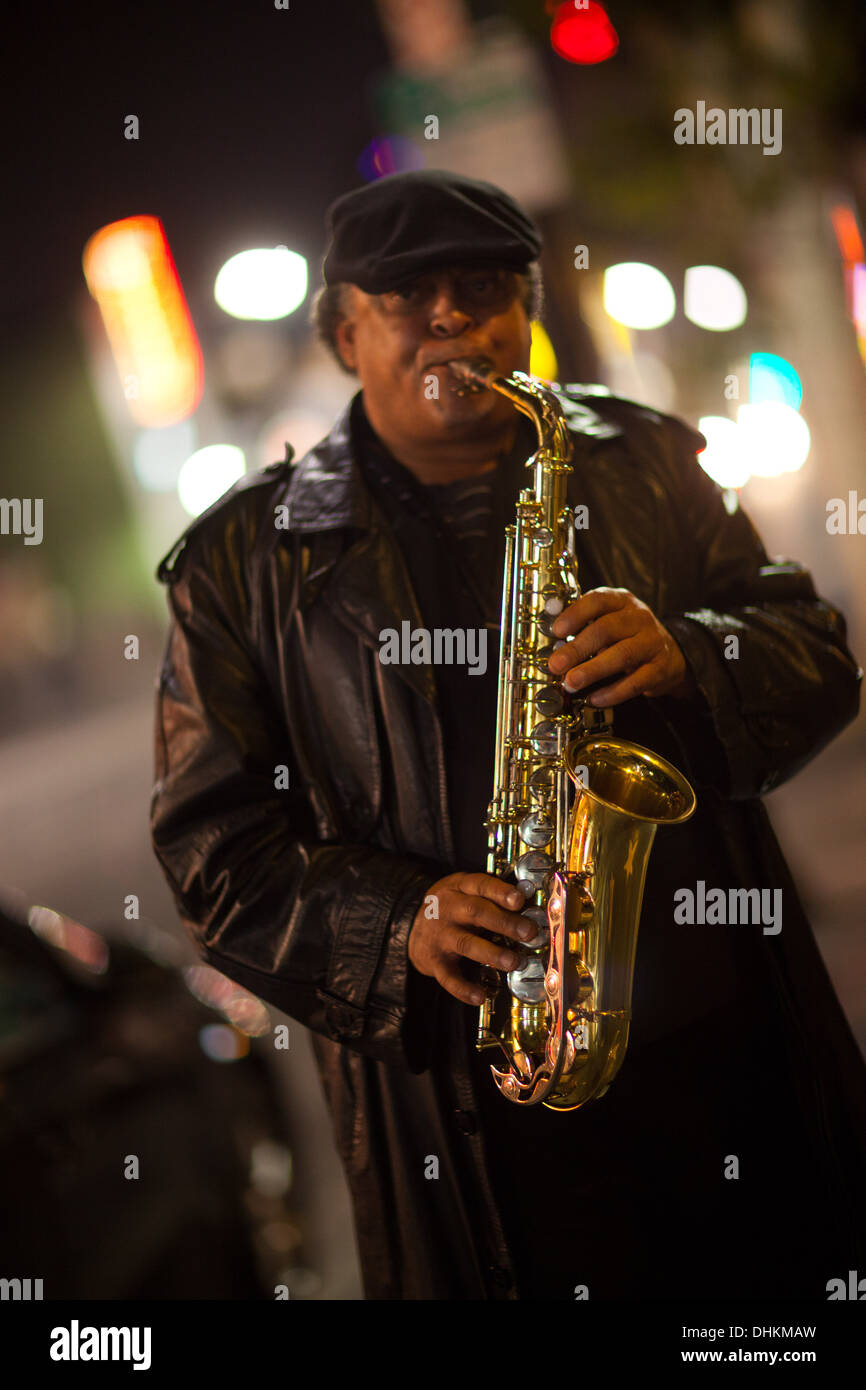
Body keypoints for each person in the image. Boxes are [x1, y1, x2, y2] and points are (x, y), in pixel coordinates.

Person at [151, 169, 866, 1301]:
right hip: (478, 1123)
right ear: (344, 335)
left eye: (481, 287)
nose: (451, 318)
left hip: (724, 1066)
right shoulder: (240, 567)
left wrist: (694, 650)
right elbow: (211, 856)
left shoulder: (649, 459)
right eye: (406, 298)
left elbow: (817, 654)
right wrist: (398, 920)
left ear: (524, 310)